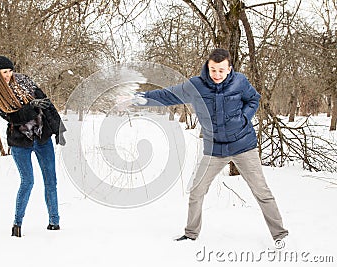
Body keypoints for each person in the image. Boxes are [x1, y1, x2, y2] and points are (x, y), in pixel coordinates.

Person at [122, 48, 289, 247]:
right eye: (213, 70)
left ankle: (280, 235)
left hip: (243, 145)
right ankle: (191, 233)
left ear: (229, 69)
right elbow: (168, 96)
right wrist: (137, 99)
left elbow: (254, 98)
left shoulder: (240, 82)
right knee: (197, 190)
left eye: (221, 70)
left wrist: (244, 117)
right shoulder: (196, 86)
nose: (216, 75)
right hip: (215, 149)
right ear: (207, 67)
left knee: (262, 191)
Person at [0, 55, 66, 237]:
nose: (9, 75)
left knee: (51, 180)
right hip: (20, 142)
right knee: (28, 181)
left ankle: (54, 222)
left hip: (41, 137)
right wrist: (32, 106)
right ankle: (17, 223)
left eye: (10, 71)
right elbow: (14, 117)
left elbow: (47, 104)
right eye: (4, 72)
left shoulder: (23, 81)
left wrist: (59, 128)